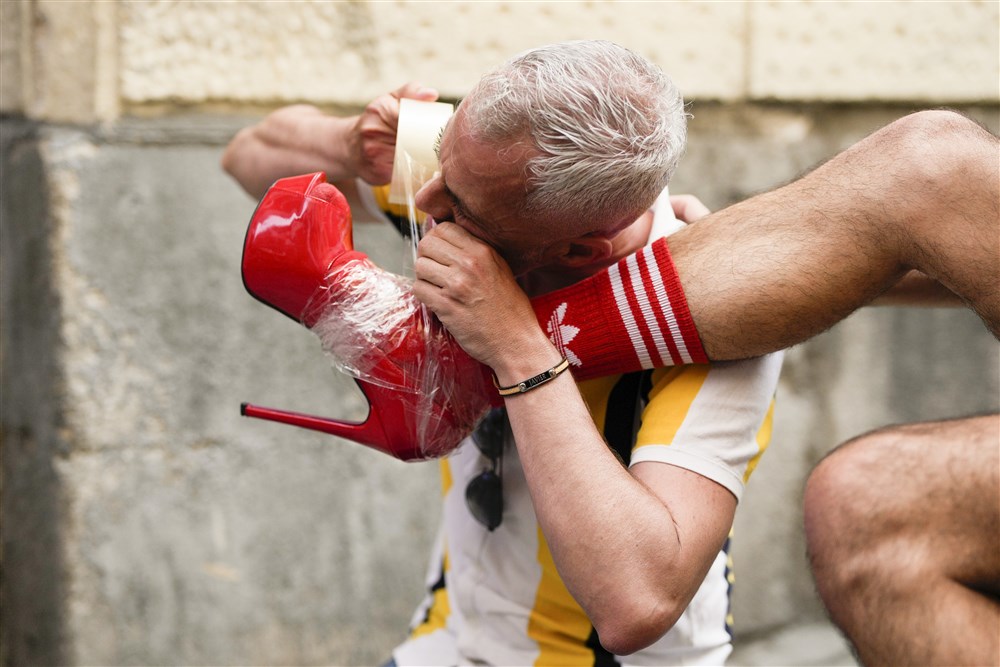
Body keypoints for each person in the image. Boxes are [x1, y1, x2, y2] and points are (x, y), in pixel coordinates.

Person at [224, 44, 999, 665]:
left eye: (456, 207)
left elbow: (637, 603)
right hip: (448, 645)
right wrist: (350, 143)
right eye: (439, 175)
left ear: (577, 246)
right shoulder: (471, 170)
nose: (427, 207)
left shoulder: (721, 331)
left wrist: (518, 349)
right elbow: (246, 156)